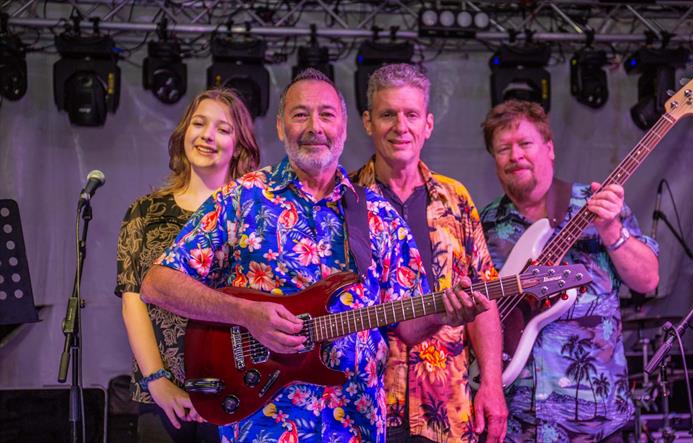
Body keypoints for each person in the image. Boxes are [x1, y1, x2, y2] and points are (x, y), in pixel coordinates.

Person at [139, 69, 491, 443]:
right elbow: (156, 284)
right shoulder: (244, 198)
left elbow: (406, 326)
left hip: (356, 425)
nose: (314, 127)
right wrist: (246, 314)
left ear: (344, 127)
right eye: (300, 114)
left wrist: (442, 313)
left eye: (326, 115)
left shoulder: (376, 213)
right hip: (265, 424)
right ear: (280, 126)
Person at [478, 100, 659, 442]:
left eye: (525, 144)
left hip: (595, 422)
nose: (515, 156)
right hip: (516, 426)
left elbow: (648, 279)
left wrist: (612, 232)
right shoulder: (481, 225)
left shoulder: (596, 207)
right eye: (503, 148)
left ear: (550, 149)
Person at [351, 63, 507, 443]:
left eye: (411, 115)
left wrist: (491, 383)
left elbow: (485, 298)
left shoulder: (455, 199)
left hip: (447, 407)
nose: (400, 126)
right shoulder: (345, 199)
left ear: (428, 125)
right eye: (388, 114)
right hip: (363, 408)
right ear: (368, 122)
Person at [115, 88, 261, 442]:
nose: (207, 135)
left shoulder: (254, 214)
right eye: (199, 123)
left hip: (237, 390)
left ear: (239, 146)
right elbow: (134, 299)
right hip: (163, 397)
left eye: (223, 129)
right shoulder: (145, 212)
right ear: (184, 133)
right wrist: (158, 382)